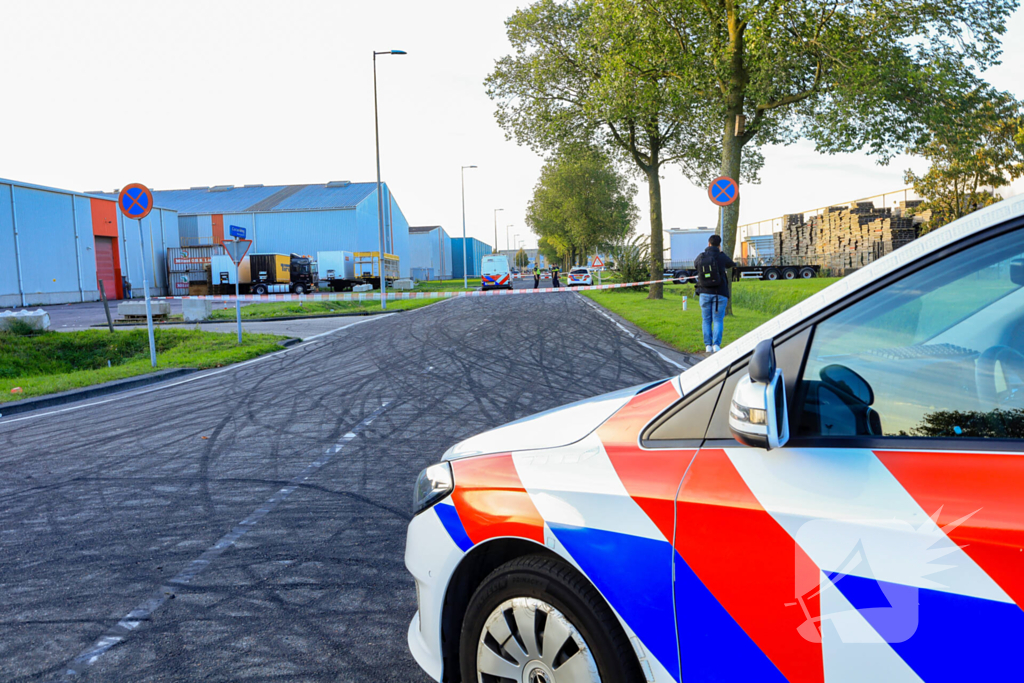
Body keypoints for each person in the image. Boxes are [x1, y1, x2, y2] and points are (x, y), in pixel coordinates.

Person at [694, 234, 735, 353]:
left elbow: (695, 265)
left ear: (708, 243)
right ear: (719, 245)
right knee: (718, 320)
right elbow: (731, 264)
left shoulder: (701, 256)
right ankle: (716, 345)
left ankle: (707, 345)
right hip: (720, 294)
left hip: (704, 292)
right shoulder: (721, 256)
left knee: (706, 319)